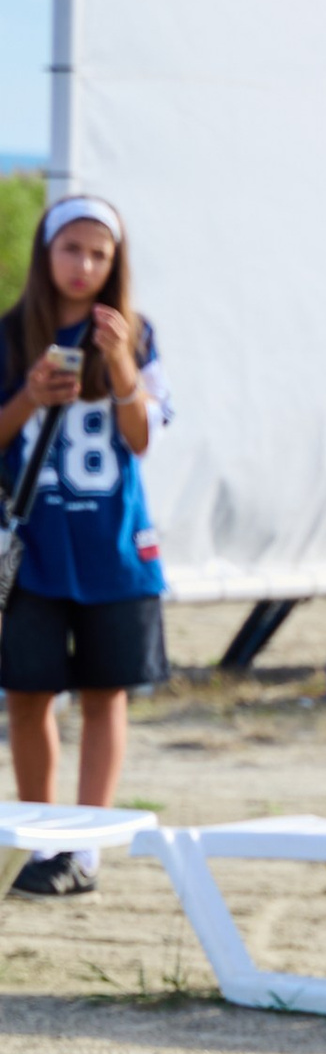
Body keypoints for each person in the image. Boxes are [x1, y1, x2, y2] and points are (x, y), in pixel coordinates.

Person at [1, 196, 171, 891]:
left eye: (100, 254)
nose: (85, 266)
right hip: (34, 549)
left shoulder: (136, 333)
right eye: (72, 249)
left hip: (118, 549)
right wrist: (30, 397)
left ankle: (88, 844)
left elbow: (144, 438)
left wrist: (123, 366)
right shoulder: (11, 335)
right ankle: (43, 838)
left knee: (106, 693)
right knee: (30, 694)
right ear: (46, 255)